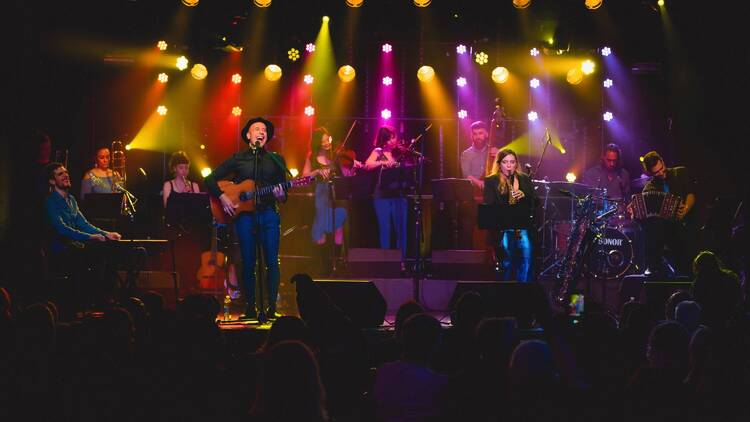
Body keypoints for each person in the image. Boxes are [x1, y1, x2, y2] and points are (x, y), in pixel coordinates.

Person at [204, 117, 288, 320]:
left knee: (271, 261)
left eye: (264, 130)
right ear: (248, 135)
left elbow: (284, 195)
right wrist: (223, 197)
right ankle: (250, 307)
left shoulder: (277, 160)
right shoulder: (238, 158)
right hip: (245, 217)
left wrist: (280, 194)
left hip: (268, 213)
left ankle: (270, 309)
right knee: (248, 261)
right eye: (257, 129)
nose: (261, 131)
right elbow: (210, 179)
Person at [44, 162, 122, 310]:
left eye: (66, 172)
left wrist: (107, 234)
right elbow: (62, 229)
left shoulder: (71, 200)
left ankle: (103, 298)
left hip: (75, 247)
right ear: (52, 181)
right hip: (61, 250)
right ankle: (89, 302)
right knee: (93, 255)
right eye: (60, 174)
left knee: (109, 248)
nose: (66, 175)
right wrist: (90, 237)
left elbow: (84, 224)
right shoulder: (50, 201)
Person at [302, 128, 359, 273]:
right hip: (320, 197)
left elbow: (342, 177)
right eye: (324, 141)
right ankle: (323, 265)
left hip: (334, 196)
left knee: (338, 227)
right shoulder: (312, 157)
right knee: (321, 235)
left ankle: (337, 261)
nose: (327, 143)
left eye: (329, 139)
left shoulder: (334, 157)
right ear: (318, 143)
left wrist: (352, 171)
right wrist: (316, 172)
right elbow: (303, 178)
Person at [638, 151, 696, 277]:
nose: (661, 173)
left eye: (662, 168)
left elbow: (690, 194)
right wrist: (636, 212)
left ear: (663, 161)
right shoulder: (649, 189)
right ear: (650, 173)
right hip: (668, 232)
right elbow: (645, 217)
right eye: (657, 172)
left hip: (687, 225)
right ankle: (654, 266)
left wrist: (685, 209)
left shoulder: (680, 172)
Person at [483, 149, 536, 282]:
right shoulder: (491, 181)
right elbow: (488, 206)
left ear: (516, 164)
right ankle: (504, 294)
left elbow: (536, 202)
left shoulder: (524, 178)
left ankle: (523, 292)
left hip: (522, 228)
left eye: (512, 162)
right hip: (502, 229)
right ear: (499, 164)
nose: (509, 165)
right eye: (505, 162)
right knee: (506, 264)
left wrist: (524, 196)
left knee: (526, 260)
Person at [364, 126, 411, 268]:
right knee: (385, 229)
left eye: (394, 137)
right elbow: (367, 165)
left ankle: (401, 262)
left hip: (399, 194)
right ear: (384, 140)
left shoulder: (398, 153)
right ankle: (386, 262)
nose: (394, 140)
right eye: (391, 137)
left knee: (401, 229)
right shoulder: (379, 151)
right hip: (382, 195)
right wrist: (382, 162)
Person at [460, 121, 493, 190]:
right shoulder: (466, 154)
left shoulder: (492, 151)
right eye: (475, 134)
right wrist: (479, 183)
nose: (478, 137)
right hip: (472, 191)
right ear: (471, 136)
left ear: (486, 134)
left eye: (480, 133)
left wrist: (499, 153)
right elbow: (466, 175)